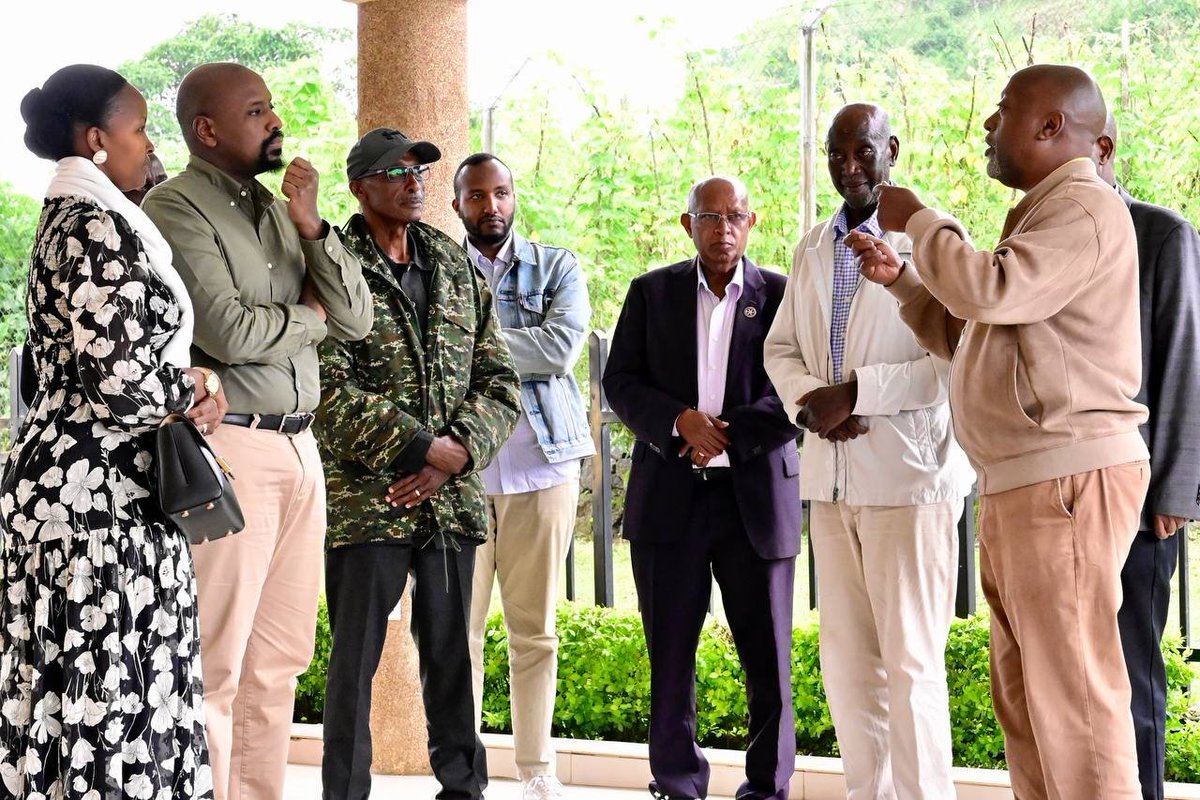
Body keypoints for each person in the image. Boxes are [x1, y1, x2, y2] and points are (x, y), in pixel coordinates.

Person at [849, 64, 1150, 799]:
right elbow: (977, 333)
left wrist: (919, 218)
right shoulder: (1044, 214)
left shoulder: (1082, 207)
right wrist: (904, 283)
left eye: (1003, 110)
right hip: (1027, 484)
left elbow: (990, 289)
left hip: (1063, 483)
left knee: (1074, 702)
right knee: (1028, 702)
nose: (988, 124)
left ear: (1051, 128)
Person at [141, 62, 373, 800]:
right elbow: (231, 332)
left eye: (271, 108)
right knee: (218, 664)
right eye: (255, 111)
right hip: (233, 444)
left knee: (281, 665)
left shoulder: (281, 211)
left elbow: (359, 319)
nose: (275, 121)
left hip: (302, 449)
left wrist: (311, 226)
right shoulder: (174, 207)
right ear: (207, 130)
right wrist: (309, 317)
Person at [1, 63, 224, 799]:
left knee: (89, 687)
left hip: (89, 487)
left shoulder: (75, 214)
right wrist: (192, 385)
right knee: (110, 688)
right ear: (97, 141)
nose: (148, 143)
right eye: (139, 129)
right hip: (95, 501)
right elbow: (121, 381)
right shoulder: (95, 224)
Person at [763, 103, 973, 800]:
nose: (849, 167)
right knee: (849, 665)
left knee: (911, 662)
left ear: (893, 151)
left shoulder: (936, 242)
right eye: (836, 155)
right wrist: (812, 401)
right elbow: (781, 348)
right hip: (833, 482)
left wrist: (856, 394)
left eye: (863, 151)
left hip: (909, 483)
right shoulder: (812, 245)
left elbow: (953, 362)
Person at [315, 129, 520, 800]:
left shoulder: (451, 262)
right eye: (394, 171)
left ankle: (464, 790)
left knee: (451, 664)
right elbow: (325, 386)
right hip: (367, 503)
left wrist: (454, 454)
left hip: (449, 501)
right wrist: (415, 447)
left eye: (419, 171)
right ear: (359, 186)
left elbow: (499, 380)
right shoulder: (332, 263)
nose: (413, 182)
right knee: (353, 668)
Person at [602, 176, 801, 800]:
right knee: (670, 654)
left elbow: (798, 388)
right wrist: (677, 422)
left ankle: (768, 787)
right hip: (671, 498)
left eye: (735, 216)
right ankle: (678, 783)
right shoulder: (651, 293)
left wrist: (729, 434)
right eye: (710, 217)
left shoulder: (782, 296)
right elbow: (621, 380)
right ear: (686, 224)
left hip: (755, 501)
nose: (723, 229)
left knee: (767, 657)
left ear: (752, 221)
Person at [453, 153, 595, 800]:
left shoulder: (557, 266)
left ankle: (538, 773)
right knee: (457, 635)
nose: (491, 207)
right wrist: (513, 342)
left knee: (534, 632)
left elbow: (561, 349)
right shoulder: (438, 272)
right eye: (477, 196)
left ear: (514, 198)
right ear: (457, 204)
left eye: (501, 193)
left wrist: (469, 342)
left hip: (542, 469)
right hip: (461, 478)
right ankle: (464, 774)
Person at [1095, 114, 1200, 800]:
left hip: (1139, 505)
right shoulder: (1036, 236)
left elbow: (1187, 358)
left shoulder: (1161, 233)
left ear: (1101, 149)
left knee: (1132, 683)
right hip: (1061, 501)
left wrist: (1174, 491)